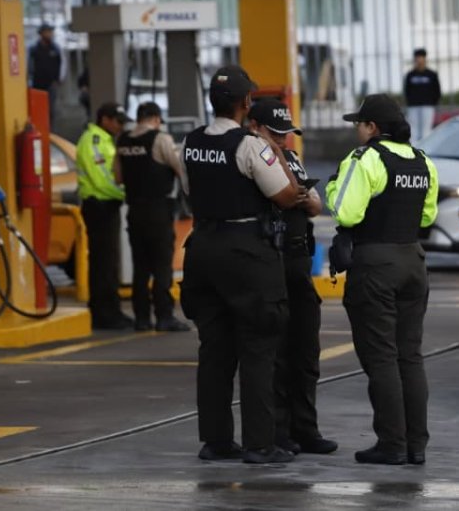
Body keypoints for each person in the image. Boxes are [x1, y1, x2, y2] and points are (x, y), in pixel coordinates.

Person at [180, 65, 305, 465]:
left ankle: (215, 440)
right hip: (246, 252)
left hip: (202, 249)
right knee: (258, 348)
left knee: (214, 350)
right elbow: (285, 196)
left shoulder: (190, 142)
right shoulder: (250, 146)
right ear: (246, 102)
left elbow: (189, 188)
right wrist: (279, 157)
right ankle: (259, 443)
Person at [326, 94, 438, 466]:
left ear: (372, 127)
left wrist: (332, 187)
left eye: (359, 124)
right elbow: (426, 217)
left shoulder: (365, 159)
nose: (356, 131)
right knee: (410, 355)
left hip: (376, 264)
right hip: (413, 262)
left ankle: (392, 443)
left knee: (382, 357)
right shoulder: (422, 161)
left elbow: (345, 212)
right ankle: (416, 444)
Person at [245, 98, 338, 457]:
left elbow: (315, 204)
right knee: (278, 353)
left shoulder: (293, 158)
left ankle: (306, 429)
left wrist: (300, 197)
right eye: (276, 133)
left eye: (286, 133)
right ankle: (279, 431)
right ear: (255, 128)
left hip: (299, 261)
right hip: (272, 260)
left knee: (305, 351)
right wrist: (290, 195)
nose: (282, 140)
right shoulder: (253, 157)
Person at [115, 101, 189, 333]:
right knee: (161, 265)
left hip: (134, 211)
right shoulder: (161, 139)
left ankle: (141, 318)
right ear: (156, 119)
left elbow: (118, 177)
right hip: (158, 210)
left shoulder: (122, 141)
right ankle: (164, 316)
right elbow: (181, 169)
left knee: (140, 266)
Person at [76, 102, 131, 330]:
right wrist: (128, 193)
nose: (120, 126)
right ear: (105, 120)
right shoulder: (94, 141)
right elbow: (102, 179)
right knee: (103, 262)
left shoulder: (106, 140)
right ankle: (104, 314)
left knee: (109, 261)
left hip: (107, 206)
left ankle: (111, 310)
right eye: (117, 121)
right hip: (99, 206)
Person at [403, 48, 441, 144]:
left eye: (421, 58)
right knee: (413, 130)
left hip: (427, 105)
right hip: (413, 106)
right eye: (417, 58)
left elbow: (437, 90)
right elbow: (407, 90)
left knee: (426, 130)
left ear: (425, 59)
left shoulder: (431, 74)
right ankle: (414, 148)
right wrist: (410, 102)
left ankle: (425, 148)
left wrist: (433, 102)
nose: (419, 60)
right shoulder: (410, 75)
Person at [28, 23, 63, 122]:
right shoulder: (34, 49)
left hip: (51, 83)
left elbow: (61, 64)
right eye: (47, 32)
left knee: (51, 110)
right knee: (38, 109)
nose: (50, 34)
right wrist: (30, 80)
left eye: (51, 32)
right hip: (37, 83)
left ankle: (50, 128)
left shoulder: (55, 49)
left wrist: (58, 79)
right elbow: (30, 65)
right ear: (41, 33)